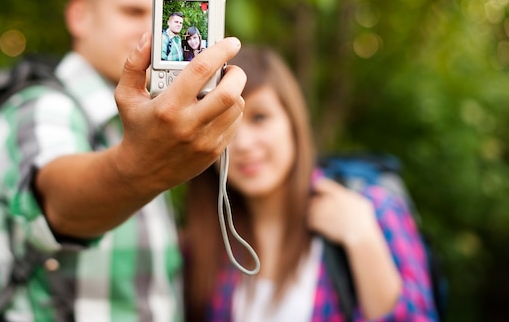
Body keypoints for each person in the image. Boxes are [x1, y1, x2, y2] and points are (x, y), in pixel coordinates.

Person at [0, 0, 247, 322]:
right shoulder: (39, 108)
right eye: (134, 10)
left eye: (158, 12)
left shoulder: (145, 123)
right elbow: (60, 206)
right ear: (79, 16)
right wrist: (140, 168)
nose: (147, 27)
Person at [182, 46, 439, 322]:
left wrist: (363, 240)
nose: (243, 144)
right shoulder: (202, 242)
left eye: (260, 118)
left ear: (293, 121)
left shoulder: (373, 209)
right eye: (225, 126)